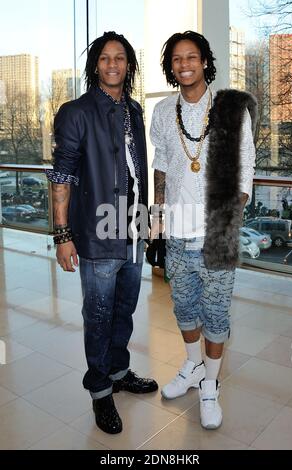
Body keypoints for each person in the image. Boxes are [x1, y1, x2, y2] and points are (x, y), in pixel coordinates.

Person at [46, 31, 158, 435]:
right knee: (98, 315)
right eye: (105, 58)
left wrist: (147, 225)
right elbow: (62, 176)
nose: (113, 64)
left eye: (121, 58)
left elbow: (137, 175)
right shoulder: (75, 111)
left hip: (131, 232)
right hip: (96, 233)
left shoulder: (134, 110)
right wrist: (63, 235)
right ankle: (99, 391)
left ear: (129, 65)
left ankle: (119, 370)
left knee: (124, 309)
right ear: (96, 65)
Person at [150, 31, 256, 430]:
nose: (184, 64)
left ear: (205, 62)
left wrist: (231, 216)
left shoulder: (230, 108)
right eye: (177, 59)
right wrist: (156, 216)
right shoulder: (162, 111)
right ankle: (193, 367)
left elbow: (246, 164)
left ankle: (210, 385)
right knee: (184, 309)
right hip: (176, 233)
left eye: (191, 56)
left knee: (215, 314)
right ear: (171, 66)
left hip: (217, 234)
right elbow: (160, 162)